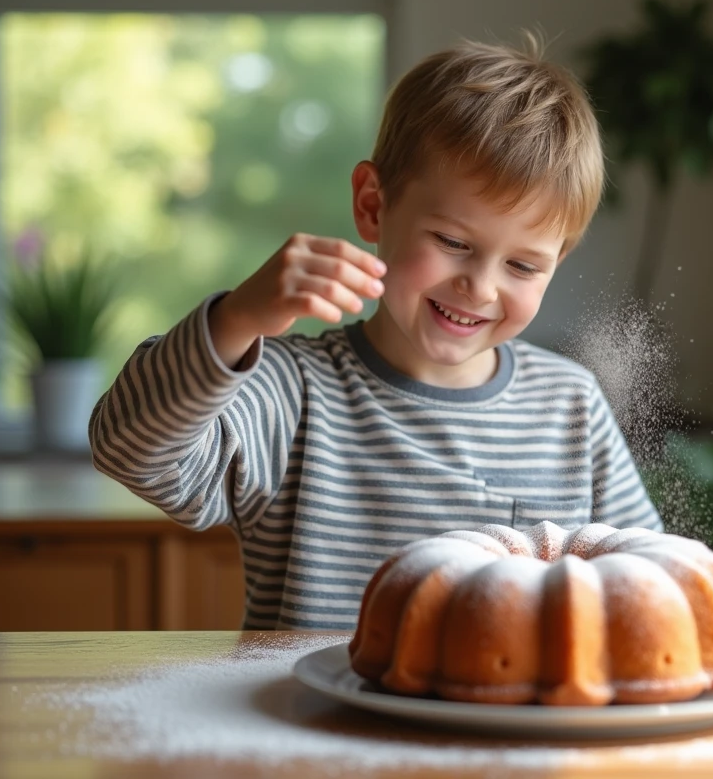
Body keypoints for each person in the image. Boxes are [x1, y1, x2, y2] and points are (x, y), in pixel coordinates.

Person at [89, 34, 662, 631]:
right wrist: (237, 317)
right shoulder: (293, 394)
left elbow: (647, 584)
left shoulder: (571, 405)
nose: (481, 288)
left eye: (522, 266)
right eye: (452, 242)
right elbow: (129, 452)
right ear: (371, 205)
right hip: (310, 699)